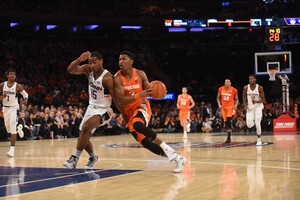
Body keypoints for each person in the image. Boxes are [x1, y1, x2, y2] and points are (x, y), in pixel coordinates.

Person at [114, 50, 187, 173]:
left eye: (124, 59)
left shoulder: (140, 74)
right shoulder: (117, 78)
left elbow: (150, 89)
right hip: (129, 110)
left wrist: (156, 89)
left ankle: (167, 149)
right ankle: (178, 158)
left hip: (141, 106)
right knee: (147, 143)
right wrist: (125, 116)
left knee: (138, 125)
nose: (121, 61)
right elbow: (120, 99)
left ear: (131, 61)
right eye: (120, 59)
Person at [63, 51, 118, 169]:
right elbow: (70, 70)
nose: (92, 65)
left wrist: (124, 114)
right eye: (90, 62)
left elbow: (116, 97)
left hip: (105, 110)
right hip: (91, 107)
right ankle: (93, 157)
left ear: (101, 61)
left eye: (94, 62)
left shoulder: (108, 78)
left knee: (86, 127)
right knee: (82, 134)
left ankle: (74, 158)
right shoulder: (88, 70)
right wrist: (79, 59)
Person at [0, 68, 28, 157]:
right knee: (8, 129)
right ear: (7, 75)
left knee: (12, 125)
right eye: (10, 74)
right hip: (5, 108)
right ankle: (18, 128)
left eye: (14, 74)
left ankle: (12, 149)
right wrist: (1, 97)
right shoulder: (2, 85)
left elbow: (25, 94)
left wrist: (25, 100)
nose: (12, 75)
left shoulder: (18, 86)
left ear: (15, 76)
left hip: (13, 108)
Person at [242, 74, 266, 146]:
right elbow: (243, 96)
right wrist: (245, 104)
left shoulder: (259, 88)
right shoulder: (246, 87)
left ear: (255, 79)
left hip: (258, 106)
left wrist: (256, 101)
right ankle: (255, 121)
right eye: (249, 79)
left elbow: (263, 100)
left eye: (252, 78)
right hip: (250, 107)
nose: (250, 80)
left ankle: (259, 140)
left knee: (258, 123)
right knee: (249, 125)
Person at [217, 79, 239, 143]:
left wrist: (236, 105)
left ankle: (229, 137)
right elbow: (218, 98)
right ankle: (229, 132)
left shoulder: (234, 90)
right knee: (226, 122)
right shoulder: (220, 89)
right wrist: (219, 105)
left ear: (230, 83)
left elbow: (237, 99)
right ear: (224, 83)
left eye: (228, 82)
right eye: (226, 82)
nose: (227, 83)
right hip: (223, 108)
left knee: (229, 120)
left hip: (230, 107)